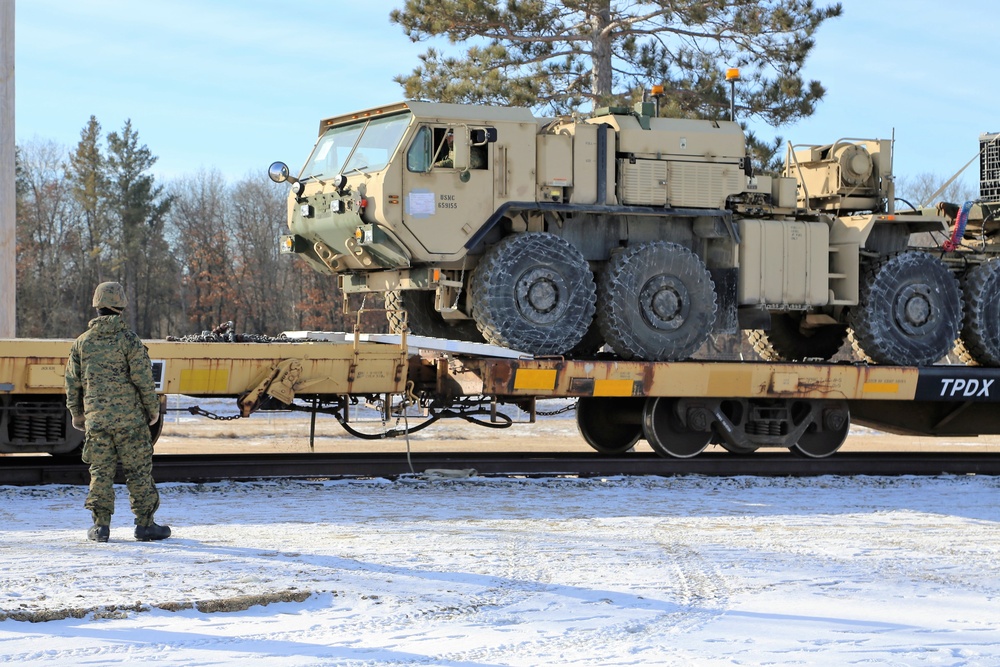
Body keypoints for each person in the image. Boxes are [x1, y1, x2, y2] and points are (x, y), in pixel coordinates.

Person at [65, 282, 170, 543]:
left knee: (100, 472)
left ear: (97, 305)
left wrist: (77, 413)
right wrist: (152, 410)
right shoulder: (130, 341)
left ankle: (101, 527)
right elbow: (144, 380)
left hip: (97, 420)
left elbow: (72, 382)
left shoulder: (82, 343)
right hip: (131, 422)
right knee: (138, 471)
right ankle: (145, 525)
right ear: (121, 305)